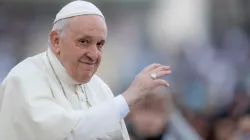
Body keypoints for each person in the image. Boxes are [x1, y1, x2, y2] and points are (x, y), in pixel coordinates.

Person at [0, 1, 171, 140]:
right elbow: (67, 134)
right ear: (56, 41)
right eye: (83, 42)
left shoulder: (99, 87)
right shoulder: (24, 79)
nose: (94, 54)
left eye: (99, 44)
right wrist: (129, 97)